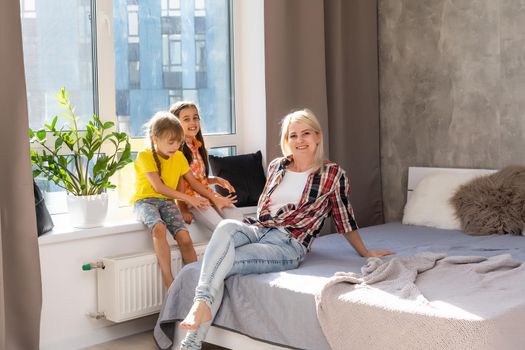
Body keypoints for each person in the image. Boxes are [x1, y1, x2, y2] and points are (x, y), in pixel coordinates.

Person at [177, 108, 393, 349]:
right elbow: (264, 208)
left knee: (221, 262)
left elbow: (344, 218)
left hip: (288, 244)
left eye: (306, 133)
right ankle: (201, 304)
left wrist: (365, 252)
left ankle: (190, 342)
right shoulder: (277, 166)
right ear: (286, 140)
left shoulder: (332, 174)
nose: (299, 140)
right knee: (227, 226)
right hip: (259, 230)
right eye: (293, 135)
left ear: (318, 137)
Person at [131, 111, 234, 289]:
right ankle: (168, 280)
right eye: (171, 142)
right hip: (145, 201)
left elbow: (193, 182)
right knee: (159, 227)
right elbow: (159, 188)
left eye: (178, 142)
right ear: (155, 139)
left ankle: (195, 283)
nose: (175, 146)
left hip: (167, 203)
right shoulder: (144, 156)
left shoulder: (178, 157)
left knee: (185, 238)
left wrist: (212, 197)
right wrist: (187, 200)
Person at [169, 101, 243, 230]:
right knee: (223, 228)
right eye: (186, 119)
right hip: (194, 201)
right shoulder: (176, 151)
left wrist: (215, 179)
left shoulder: (198, 147)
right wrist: (182, 209)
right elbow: (180, 183)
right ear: (176, 124)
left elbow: (198, 180)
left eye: (195, 118)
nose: (193, 122)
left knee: (239, 219)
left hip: (207, 195)